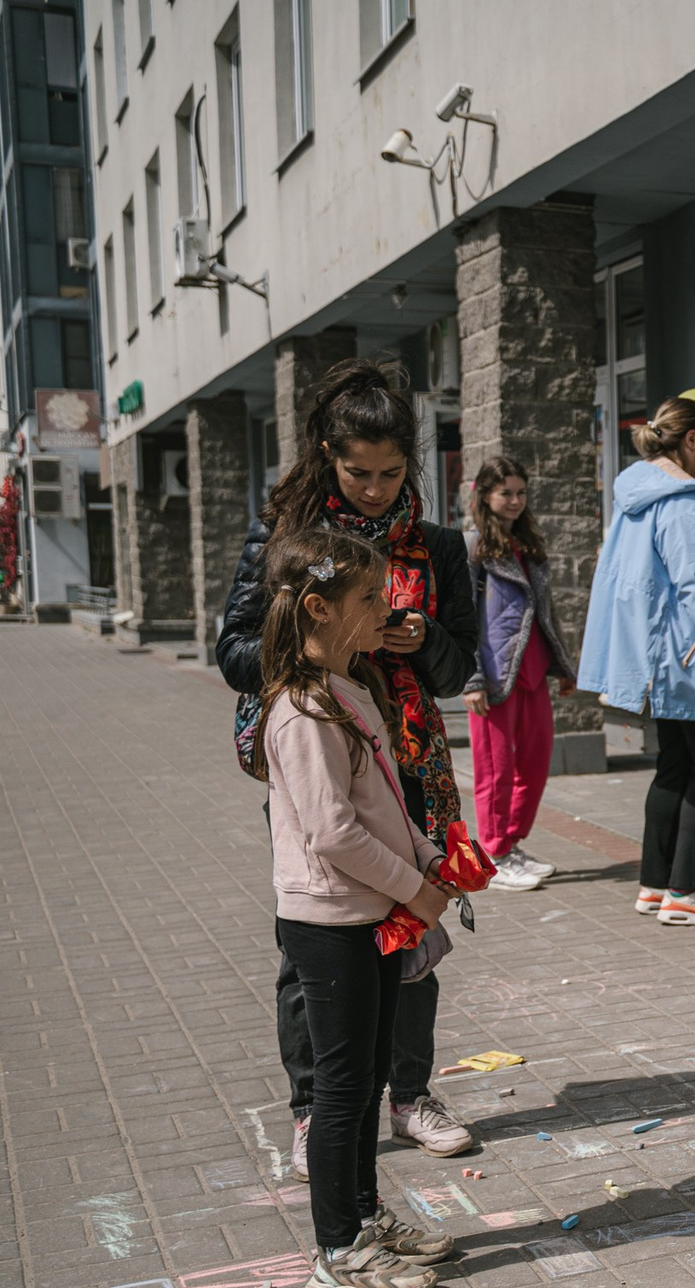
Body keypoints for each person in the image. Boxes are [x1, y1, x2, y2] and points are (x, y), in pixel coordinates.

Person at [217, 358, 478, 1171]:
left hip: (408, 762)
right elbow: (233, 650)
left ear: (411, 465)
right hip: (318, 755)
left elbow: (458, 669)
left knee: (413, 926)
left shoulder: (436, 547)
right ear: (327, 455)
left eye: (390, 474)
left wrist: (422, 638)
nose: (372, 489)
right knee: (319, 937)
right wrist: (326, 646)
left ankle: (409, 1093)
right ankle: (316, 1108)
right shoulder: (286, 538)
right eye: (357, 472)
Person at [253, 529, 461, 1288]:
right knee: (340, 1089)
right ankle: (337, 1252)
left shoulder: (350, 687)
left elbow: (385, 801)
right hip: (330, 920)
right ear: (318, 608)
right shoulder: (302, 710)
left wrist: (427, 856)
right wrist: (413, 888)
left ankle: (366, 1218)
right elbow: (333, 833)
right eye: (370, 596)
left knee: (368, 1076)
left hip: (370, 909)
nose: (388, 607)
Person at [577, 395, 695, 926]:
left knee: (673, 765)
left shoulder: (637, 495)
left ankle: (656, 885)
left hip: (657, 656)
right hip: (690, 657)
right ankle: (688, 891)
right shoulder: (682, 502)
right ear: (690, 439)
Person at [461, 456, 576, 894]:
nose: (514, 500)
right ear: (484, 495)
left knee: (535, 762)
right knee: (496, 769)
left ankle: (510, 844)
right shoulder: (472, 547)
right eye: (505, 492)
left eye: (520, 492)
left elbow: (546, 613)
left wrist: (562, 666)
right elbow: (462, 619)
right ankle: (493, 853)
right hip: (494, 676)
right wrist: (471, 680)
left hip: (534, 670)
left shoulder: (527, 544)